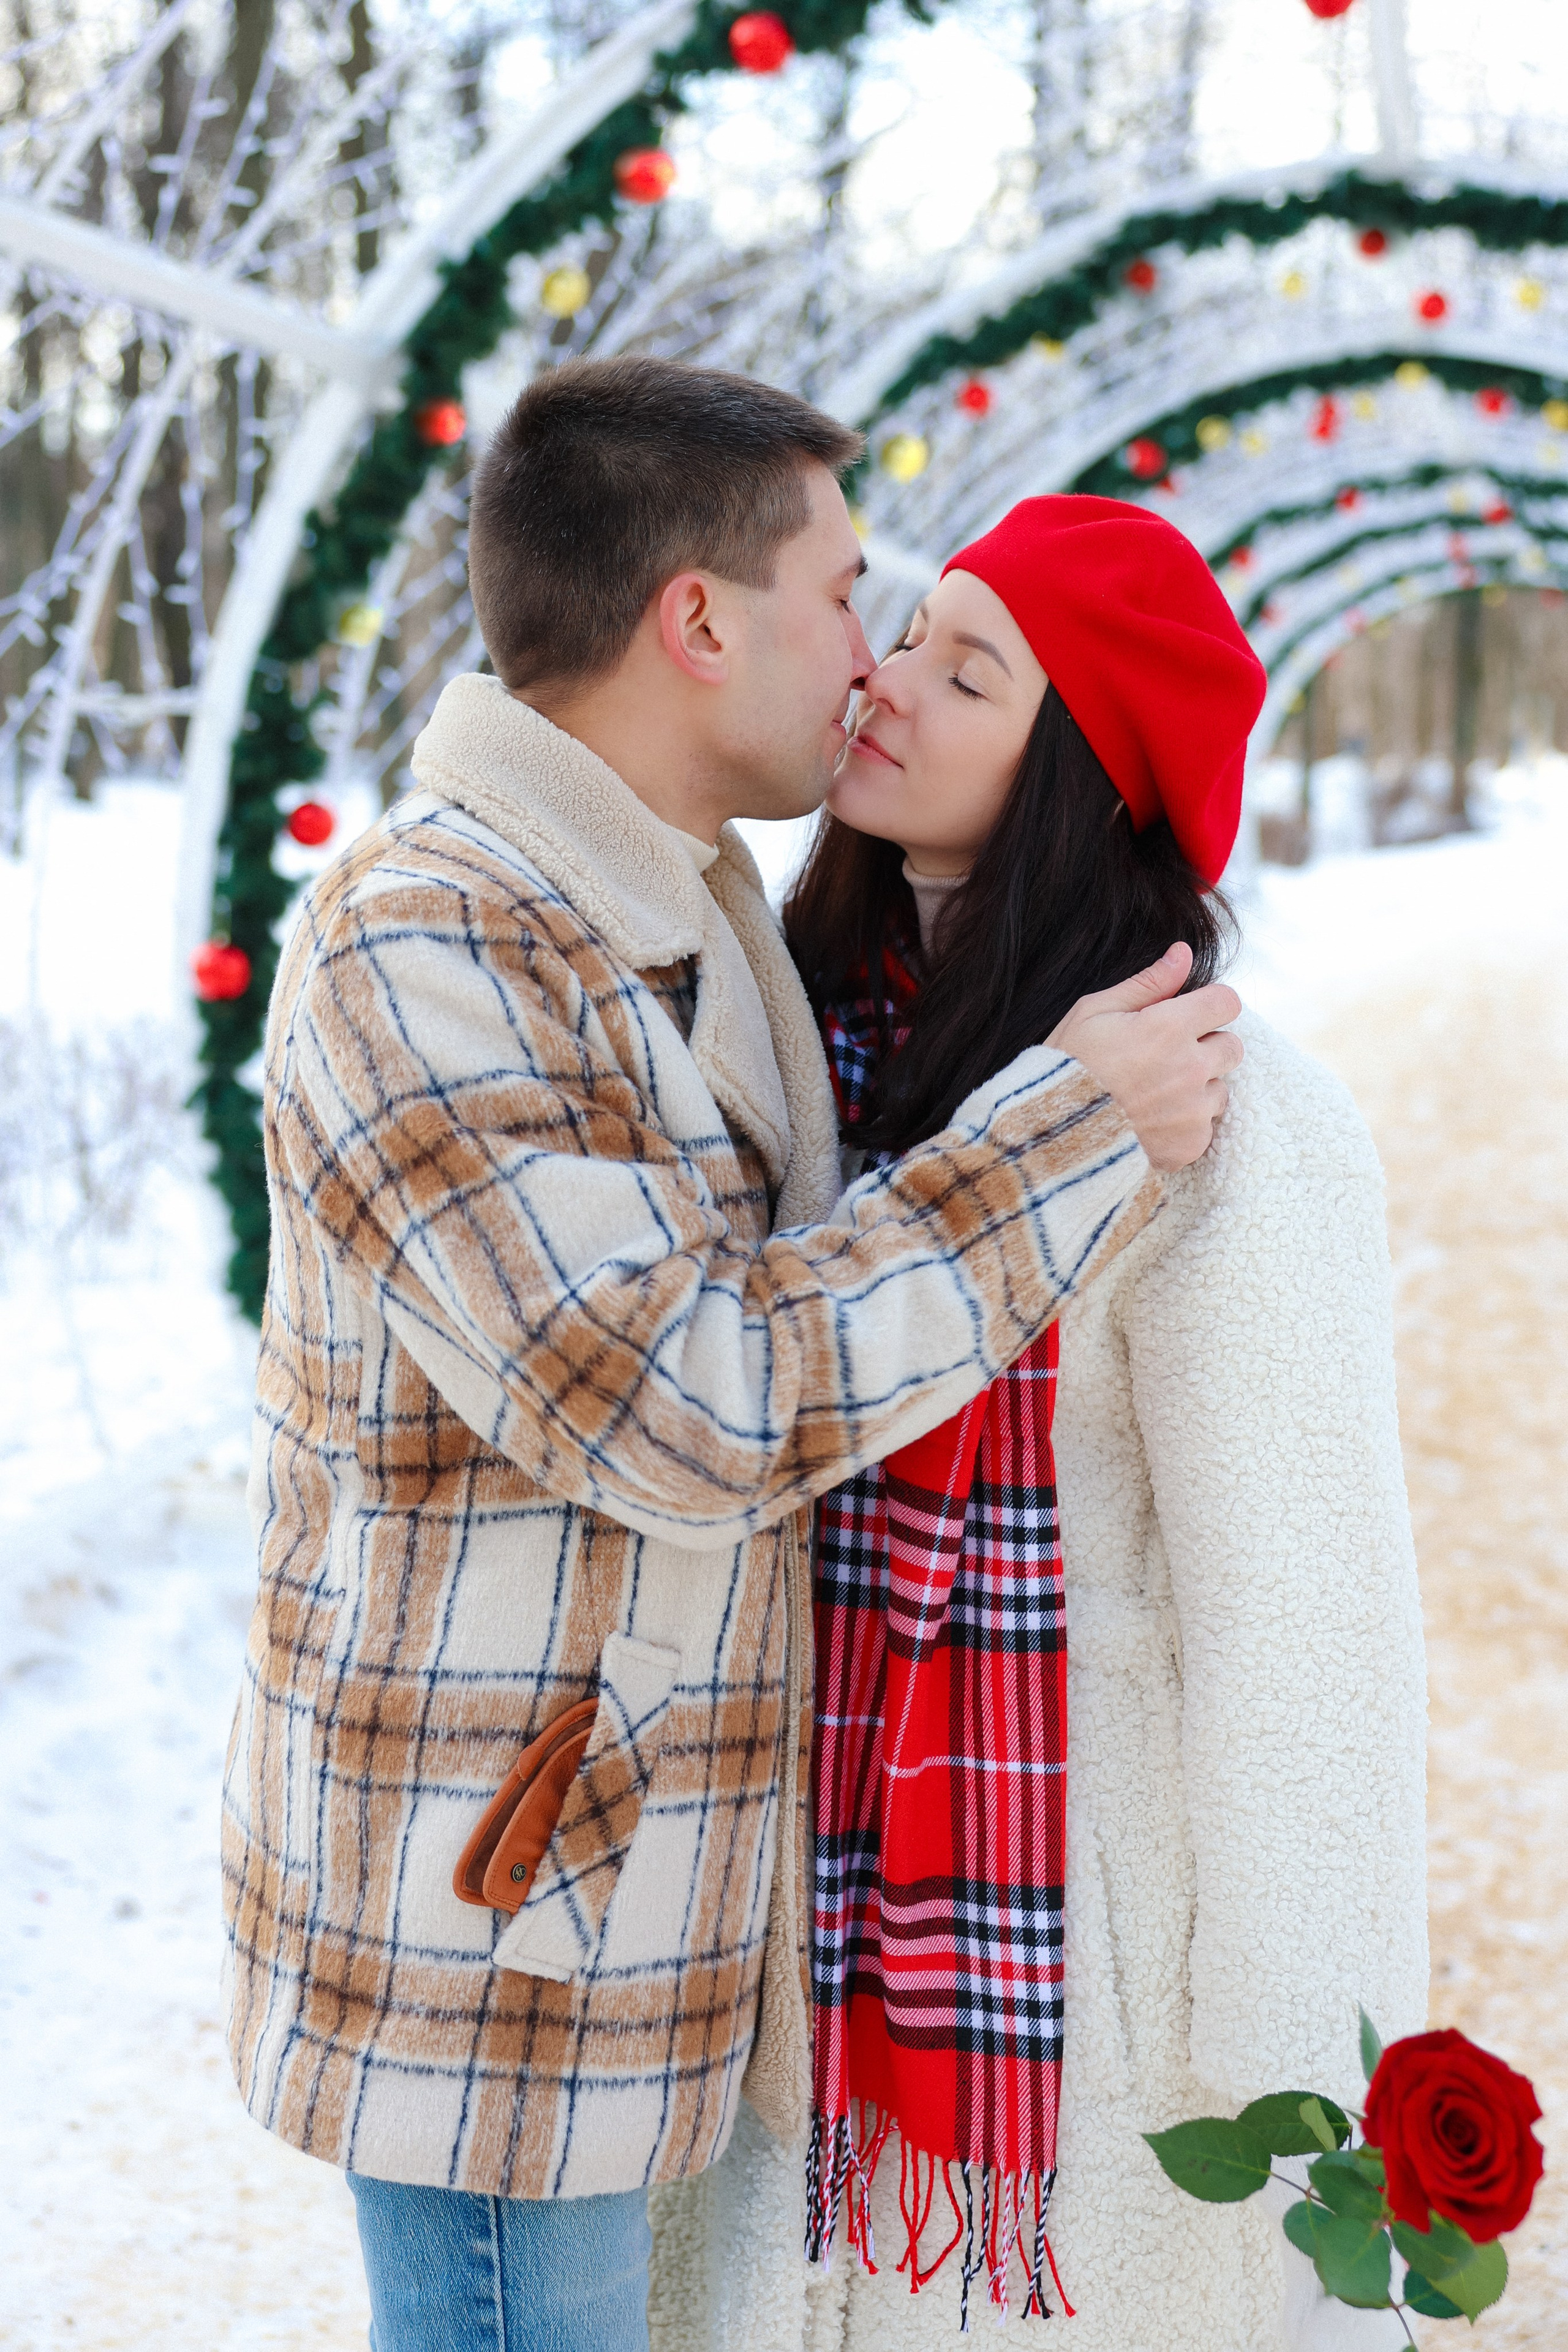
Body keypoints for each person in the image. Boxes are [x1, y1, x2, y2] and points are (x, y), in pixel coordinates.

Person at [220, 369, 1245, 2352]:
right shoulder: (424, 943)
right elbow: (684, 1401)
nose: (872, 662)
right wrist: (1058, 1132)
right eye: (852, 594)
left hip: (633, 1898)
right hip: (498, 1935)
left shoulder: (686, 919)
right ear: (701, 622)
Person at [646, 498, 1427, 2352]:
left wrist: (1306, 2112)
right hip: (763, 1958)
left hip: (1067, 1997)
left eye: (965, 671)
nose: (885, 682)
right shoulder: (773, 1051)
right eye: (910, 632)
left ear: (1080, 780)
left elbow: (1300, 1643)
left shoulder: (1234, 1126)